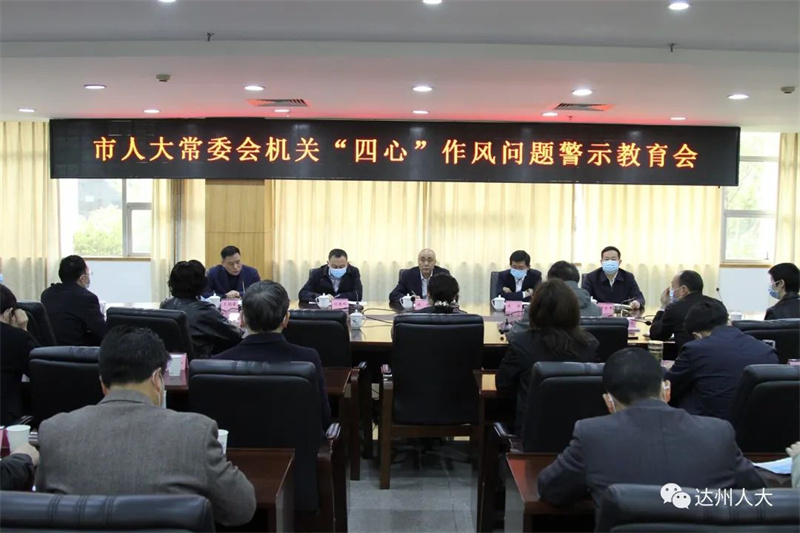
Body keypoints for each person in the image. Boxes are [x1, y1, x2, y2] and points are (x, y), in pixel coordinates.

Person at [35, 326, 256, 526]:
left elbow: (46, 507)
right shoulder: (195, 432)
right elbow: (242, 509)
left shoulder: (55, 431)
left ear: (102, 382)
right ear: (157, 378)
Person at [537, 348, 765, 506]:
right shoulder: (718, 432)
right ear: (667, 390)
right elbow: (756, 488)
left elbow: (551, 489)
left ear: (609, 402)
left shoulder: (591, 435)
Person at [215, 281, 331, 432]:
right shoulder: (308, 358)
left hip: (233, 446)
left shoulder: (216, 363)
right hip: (297, 445)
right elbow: (323, 417)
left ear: (242, 318)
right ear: (286, 319)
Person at [497, 279, 599, 432]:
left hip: (531, 432)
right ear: (573, 311)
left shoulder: (521, 343)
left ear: (534, 310)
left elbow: (503, 384)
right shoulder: (589, 344)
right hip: (579, 431)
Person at [666, 300, 779, 419]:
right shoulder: (767, 350)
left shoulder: (694, 349)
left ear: (696, 335)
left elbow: (666, 388)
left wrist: (665, 370)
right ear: (728, 321)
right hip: (754, 425)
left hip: (709, 425)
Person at [160, 260, 241, 358]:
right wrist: (236, 325)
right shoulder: (205, 310)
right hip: (202, 362)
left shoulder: (165, 305)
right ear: (201, 283)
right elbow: (235, 334)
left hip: (171, 361)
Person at [41, 255, 107, 346]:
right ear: (83, 278)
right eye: (88, 273)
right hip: (76, 351)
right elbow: (102, 332)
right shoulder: (87, 298)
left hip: (49, 350)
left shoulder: (47, 294)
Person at [649, 270, 717, 350]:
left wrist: (663, 306)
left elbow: (656, 335)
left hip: (688, 355)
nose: (672, 291)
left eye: (673, 287)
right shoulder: (717, 305)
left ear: (683, 289)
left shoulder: (674, 308)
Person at [0, 285, 37, 425]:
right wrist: (23, 329)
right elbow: (42, 372)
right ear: (9, 313)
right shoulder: (17, 338)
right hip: (5, 422)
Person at [299, 248, 363, 302]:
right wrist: (321, 297)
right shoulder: (317, 273)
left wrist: (335, 297)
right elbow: (303, 293)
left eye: (342, 266)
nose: (338, 269)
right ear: (328, 263)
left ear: (347, 264)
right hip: (322, 310)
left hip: (346, 309)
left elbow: (358, 294)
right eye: (334, 266)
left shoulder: (353, 272)